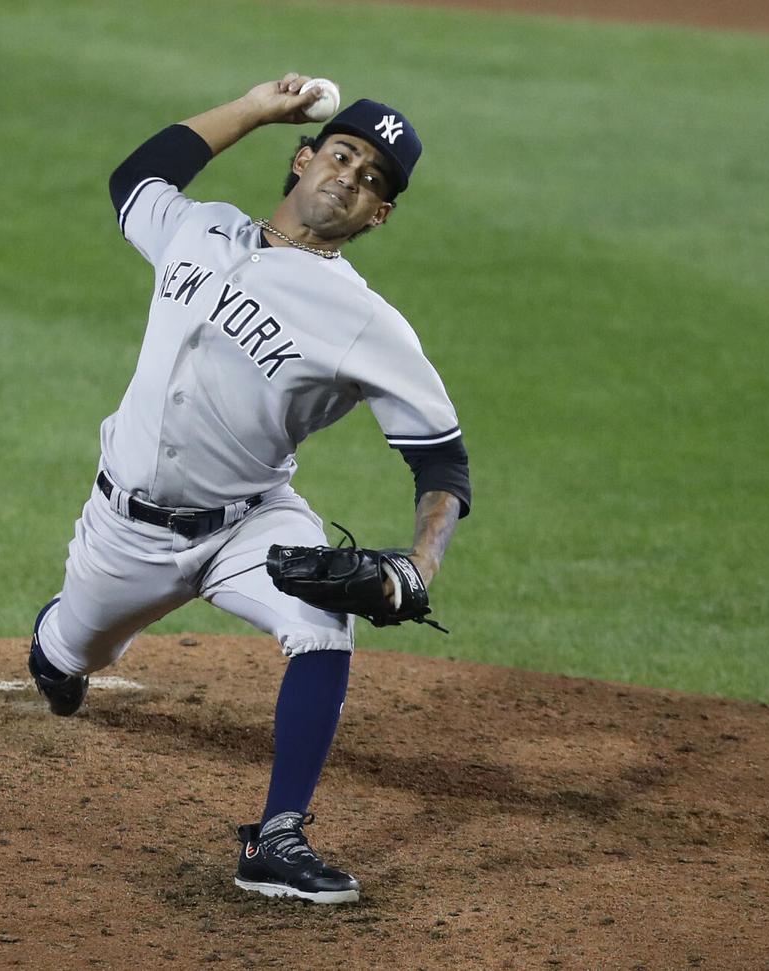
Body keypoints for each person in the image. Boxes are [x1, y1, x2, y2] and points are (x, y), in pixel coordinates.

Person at [27, 73, 472, 904]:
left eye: (374, 180)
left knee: (323, 617)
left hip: (249, 523)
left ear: (380, 216)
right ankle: (59, 641)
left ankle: (275, 837)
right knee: (70, 655)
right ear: (303, 160)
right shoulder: (198, 230)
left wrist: (421, 564)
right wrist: (258, 106)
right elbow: (136, 179)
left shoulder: (367, 322)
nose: (351, 177)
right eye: (342, 155)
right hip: (125, 531)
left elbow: (442, 459)